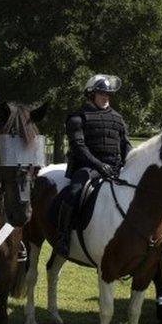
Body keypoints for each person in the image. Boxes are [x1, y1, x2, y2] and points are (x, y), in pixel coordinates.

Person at [54, 74, 130, 257]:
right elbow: (79, 147)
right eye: (101, 94)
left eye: (108, 94)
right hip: (87, 167)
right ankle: (63, 237)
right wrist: (98, 164)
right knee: (74, 192)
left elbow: (125, 144)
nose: (106, 98)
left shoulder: (117, 118)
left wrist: (130, 162)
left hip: (114, 167)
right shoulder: (77, 118)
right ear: (90, 95)